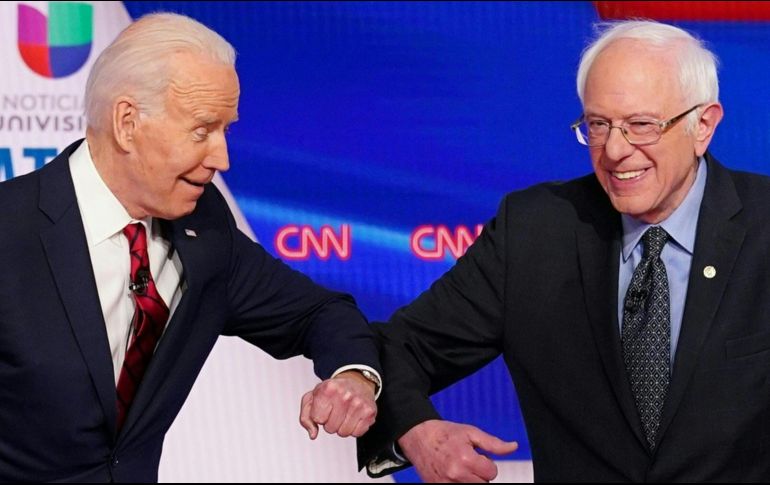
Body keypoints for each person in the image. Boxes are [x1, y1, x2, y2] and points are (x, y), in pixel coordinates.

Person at [359, 19, 770, 482]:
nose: (615, 150)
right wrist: (417, 431)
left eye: (640, 125)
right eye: (598, 125)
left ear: (703, 125)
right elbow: (398, 349)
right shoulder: (535, 231)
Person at [0, 13, 382, 482]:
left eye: (226, 131)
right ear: (127, 124)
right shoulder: (10, 231)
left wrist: (353, 377)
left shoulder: (206, 228)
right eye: (202, 131)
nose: (221, 158)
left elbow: (318, 312)